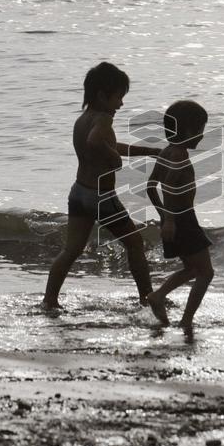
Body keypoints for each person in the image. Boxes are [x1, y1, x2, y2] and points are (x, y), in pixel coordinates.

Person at [42, 62, 162, 310]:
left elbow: (105, 143)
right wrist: (113, 158)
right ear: (101, 95)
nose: (120, 104)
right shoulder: (104, 119)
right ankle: (147, 298)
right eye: (118, 97)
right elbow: (97, 142)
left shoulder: (83, 119)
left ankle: (49, 300)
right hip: (101, 197)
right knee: (135, 243)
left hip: (79, 193)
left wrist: (148, 152)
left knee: (71, 250)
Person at [143, 100, 213, 328]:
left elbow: (151, 186)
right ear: (190, 131)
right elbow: (172, 186)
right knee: (206, 272)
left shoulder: (166, 152)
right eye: (201, 131)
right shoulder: (180, 155)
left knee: (193, 268)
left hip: (176, 218)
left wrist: (163, 215)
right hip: (184, 219)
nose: (202, 137)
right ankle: (185, 319)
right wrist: (171, 219)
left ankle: (159, 296)